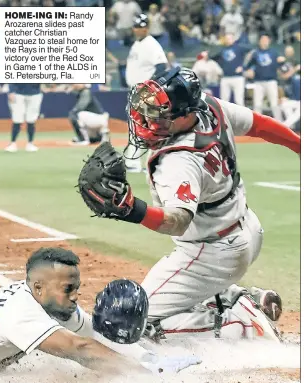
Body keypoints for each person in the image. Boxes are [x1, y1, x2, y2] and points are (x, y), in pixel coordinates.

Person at [78, 66, 299, 339]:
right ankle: (243, 296)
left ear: (186, 114)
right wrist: (299, 145)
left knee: (128, 323)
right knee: (181, 288)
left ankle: (241, 322)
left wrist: (131, 209)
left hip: (211, 252)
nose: (147, 120)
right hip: (245, 228)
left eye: (160, 115)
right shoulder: (211, 107)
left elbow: (177, 222)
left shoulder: (178, 160)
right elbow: (260, 125)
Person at [0, 247, 200, 377]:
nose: (75, 296)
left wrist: (150, 359)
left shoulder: (51, 302)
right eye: (68, 289)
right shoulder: (19, 311)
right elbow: (79, 348)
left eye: (76, 288)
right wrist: (146, 374)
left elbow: (93, 335)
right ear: (38, 286)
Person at [124, 13, 168, 173]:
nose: (137, 30)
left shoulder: (152, 44)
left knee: (150, 128)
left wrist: (150, 87)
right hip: (135, 90)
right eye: (136, 27)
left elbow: (162, 67)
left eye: (141, 27)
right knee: (137, 127)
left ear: (147, 28)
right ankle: (132, 162)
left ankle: (153, 162)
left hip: (145, 92)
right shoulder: (137, 43)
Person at [244, 34, 283, 121]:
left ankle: (280, 124)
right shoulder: (255, 53)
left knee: (274, 104)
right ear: (259, 42)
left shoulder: (274, 52)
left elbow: (280, 64)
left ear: (269, 41)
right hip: (258, 81)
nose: (264, 41)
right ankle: (257, 125)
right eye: (262, 40)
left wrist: (281, 62)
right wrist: (248, 71)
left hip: (271, 81)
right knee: (257, 105)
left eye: (266, 40)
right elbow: (248, 65)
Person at [4, 83, 43, 153]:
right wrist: (11, 91)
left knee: (31, 120)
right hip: (18, 93)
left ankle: (30, 143)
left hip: (35, 93)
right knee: (17, 119)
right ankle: (13, 143)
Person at [215, 33, 248, 106]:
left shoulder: (239, 48)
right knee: (223, 102)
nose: (228, 40)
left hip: (238, 77)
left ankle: (242, 117)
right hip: (225, 77)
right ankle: (225, 117)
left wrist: (243, 67)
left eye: (230, 38)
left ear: (233, 39)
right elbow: (213, 58)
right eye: (226, 39)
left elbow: (252, 53)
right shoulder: (222, 50)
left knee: (239, 100)